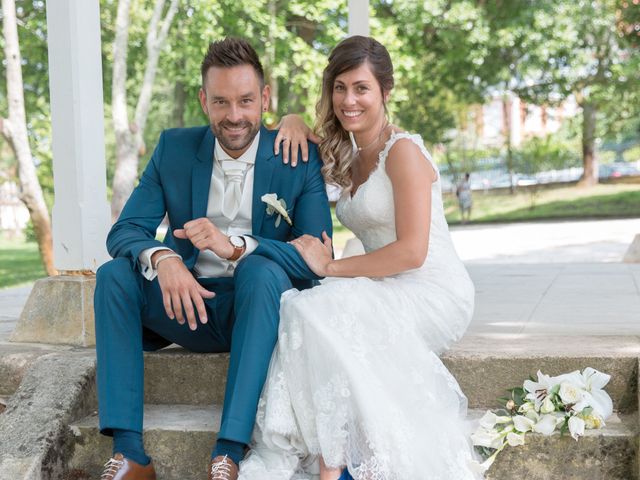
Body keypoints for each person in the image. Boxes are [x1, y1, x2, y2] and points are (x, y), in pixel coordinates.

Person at [238, 36, 481, 480]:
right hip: (386, 284)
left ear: (385, 91)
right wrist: (291, 118)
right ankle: (334, 456)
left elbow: (412, 251)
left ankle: (332, 464)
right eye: (340, 87)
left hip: (432, 289)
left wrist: (331, 268)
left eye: (362, 88)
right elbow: (302, 133)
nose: (349, 100)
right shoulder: (346, 151)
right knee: (309, 308)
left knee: (321, 304)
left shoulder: (403, 151)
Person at [94, 37, 332, 480]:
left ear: (265, 98)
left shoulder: (298, 157)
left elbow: (319, 259)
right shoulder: (174, 148)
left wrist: (238, 246)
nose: (235, 116)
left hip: (256, 310)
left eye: (245, 101)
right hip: (184, 305)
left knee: (262, 270)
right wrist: (165, 258)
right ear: (204, 101)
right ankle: (130, 453)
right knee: (113, 275)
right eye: (221, 102)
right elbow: (125, 231)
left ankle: (229, 451)